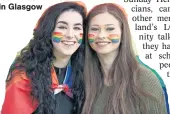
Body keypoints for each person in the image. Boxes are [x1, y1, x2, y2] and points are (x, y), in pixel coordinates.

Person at [1, 1, 86, 114]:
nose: (70, 34)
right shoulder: (25, 72)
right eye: (62, 27)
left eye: (77, 28)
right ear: (49, 30)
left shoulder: (85, 70)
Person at [82, 3, 167, 114]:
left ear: (123, 34)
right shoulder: (84, 79)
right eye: (94, 29)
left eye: (110, 29)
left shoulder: (145, 80)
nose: (101, 35)